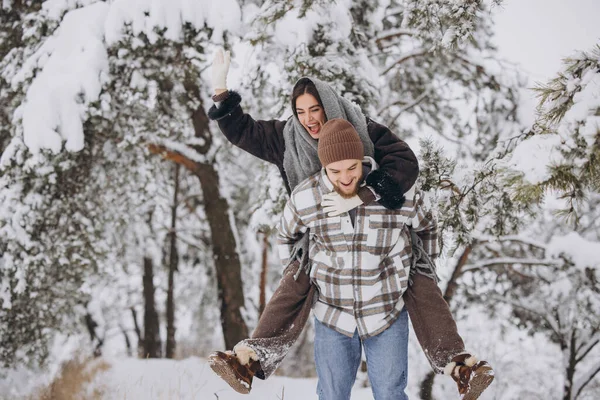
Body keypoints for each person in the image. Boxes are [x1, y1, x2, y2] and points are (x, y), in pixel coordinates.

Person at [207, 49, 494, 399]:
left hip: (381, 263)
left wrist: (365, 196)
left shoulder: (364, 132)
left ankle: (459, 363)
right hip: (329, 267)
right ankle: (249, 358)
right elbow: (243, 132)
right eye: (301, 111)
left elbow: (406, 165)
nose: (310, 119)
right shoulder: (289, 140)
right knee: (297, 278)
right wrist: (221, 90)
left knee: (417, 277)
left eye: (316, 109)